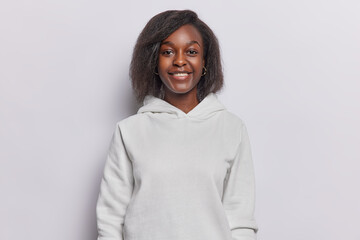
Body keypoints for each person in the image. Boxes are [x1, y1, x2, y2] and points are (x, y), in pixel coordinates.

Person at [96, 10, 258, 240]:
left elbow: (241, 222)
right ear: (154, 61)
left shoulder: (231, 128)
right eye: (168, 52)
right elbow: (111, 220)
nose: (180, 60)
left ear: (204, 62)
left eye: (191, 51)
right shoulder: (129, 131)